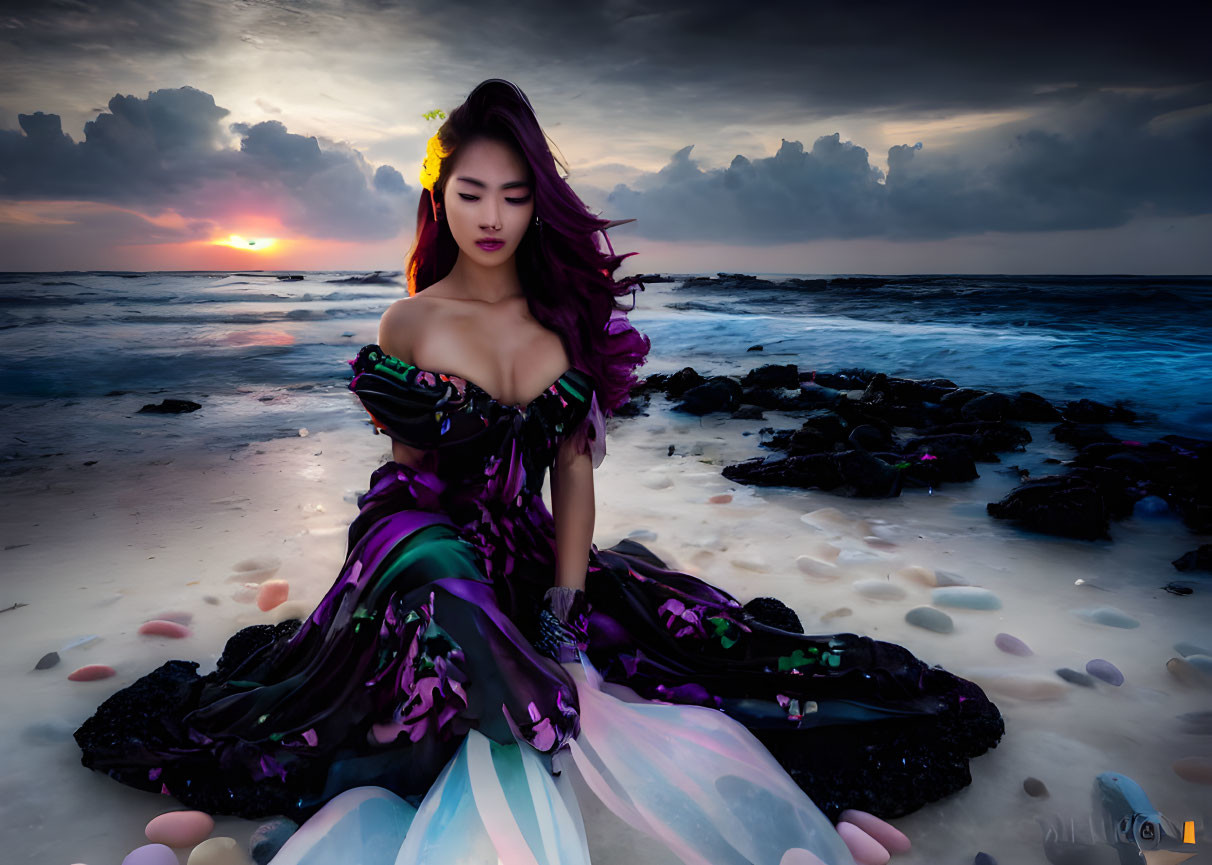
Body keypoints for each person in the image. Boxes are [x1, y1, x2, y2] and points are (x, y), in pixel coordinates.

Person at [74, 79, 1005, 865]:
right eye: (471, 192)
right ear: (440, 195)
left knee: (690, 646)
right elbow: (404, 476)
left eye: (514, 195)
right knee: (438, 575)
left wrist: (564, 607)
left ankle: (497, 700)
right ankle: (513, 714)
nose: (491, 217)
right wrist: (422, 567)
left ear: (536, 200)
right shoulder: (411, 323)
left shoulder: (562, 325)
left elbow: (573, 474)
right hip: (417, 535)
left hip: (523, 543)